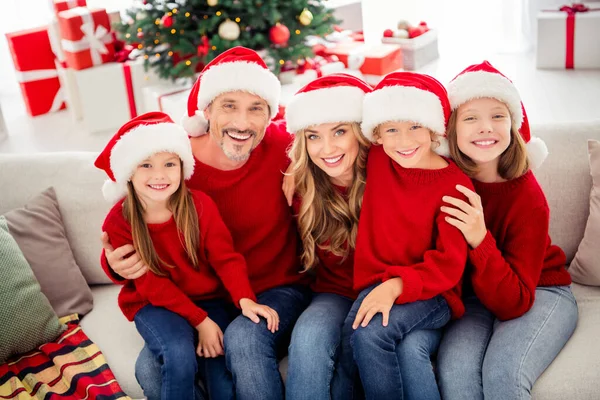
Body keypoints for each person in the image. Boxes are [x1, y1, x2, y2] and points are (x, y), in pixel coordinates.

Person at [99, 47, 311, 400]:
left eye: (256, 108)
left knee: (244, 338)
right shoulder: (171, 166)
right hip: (205, 298)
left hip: (274, 287)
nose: (242, 124)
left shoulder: (285, 149)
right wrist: (116, 265)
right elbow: (133, 227)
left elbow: (348, 147)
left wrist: (306, 172)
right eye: (229, 106)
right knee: (150, 369)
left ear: (270, 115)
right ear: (207, 110)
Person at [95, 112, 279, 400]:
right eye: (146, 165)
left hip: (210, 300)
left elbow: (225, 258)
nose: (159, 175)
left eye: (170, 164)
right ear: (129, 172)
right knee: (178, 353)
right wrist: (200, 321)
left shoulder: (200, 206)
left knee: (221, 377)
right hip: (154, 304)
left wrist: (245, 299)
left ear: (182, 167)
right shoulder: (119, 222)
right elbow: (151, 285)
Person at [436, 61, 578, 400]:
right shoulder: (444, 179)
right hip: (475, 298)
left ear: (514, 123)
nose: (486, 128)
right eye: (471, 117)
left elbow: (515, 302)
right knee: (454, 373)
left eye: (498, 116)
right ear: (451, 129)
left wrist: (479, 238)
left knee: (504, 374)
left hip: (538, 290)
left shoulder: (527, 198)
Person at [332, 72, 473, 400]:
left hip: (436, 293)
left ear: (434, 129)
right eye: (391, 130)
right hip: (378, 283)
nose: (404, 141)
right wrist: (293, 174)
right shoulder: (380, 159)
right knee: (349, 337)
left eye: (414, 127)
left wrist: (396, 285)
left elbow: (450, 265)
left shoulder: (455, 185)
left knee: (370, 335)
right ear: (377, 135)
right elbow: (330, 140)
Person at [282, 74, 372, 400]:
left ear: (360, 132)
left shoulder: (388, 173)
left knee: (361, 348)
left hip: (386, 291)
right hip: (334, 292)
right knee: (308, 339)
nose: (328, 148)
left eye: (339, 131)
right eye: (313, 136)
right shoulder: (304, 185)